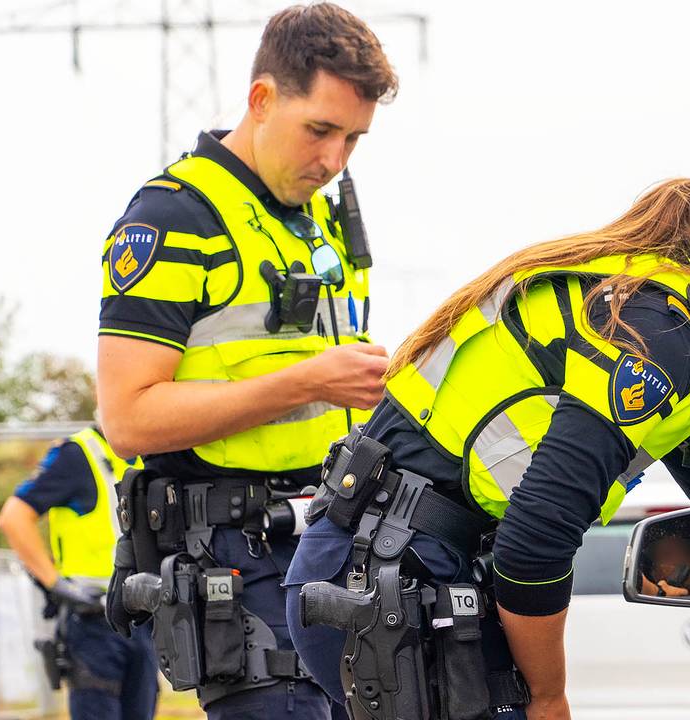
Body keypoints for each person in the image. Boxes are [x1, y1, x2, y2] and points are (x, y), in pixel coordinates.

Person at [286, 140, 690, 720]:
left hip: (381, 564)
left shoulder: (683, 327)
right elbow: (533, 547)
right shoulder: (659, 332)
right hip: (381, 575)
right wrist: (549, 699)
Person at [95, 4, 397, 717]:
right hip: (235, 562)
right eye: (320, 130)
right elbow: (129, 420)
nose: (334, 161)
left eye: (354, 139)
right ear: (261, 100)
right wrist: (307, 380)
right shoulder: (173, 218)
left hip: (326, 547)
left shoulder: (319, 218)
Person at [0, 425, 158, 720]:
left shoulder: (146, 454)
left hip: (142, 621)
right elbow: (14, 517)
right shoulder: (77, 455)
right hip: (92, 621)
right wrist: (57, 584)